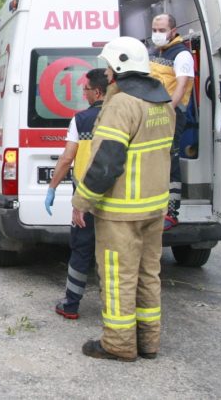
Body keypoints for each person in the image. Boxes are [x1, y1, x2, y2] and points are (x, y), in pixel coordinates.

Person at [71, 36, 175, 362]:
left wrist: (81, 201)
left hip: (122, 211)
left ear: (117, 68)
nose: (106, 72)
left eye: (108, 66)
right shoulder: (163, 102)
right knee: (148, 275)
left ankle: (117, 344)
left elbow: (106, 162)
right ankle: (148, 342)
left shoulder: (121, 104)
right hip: (154, 207)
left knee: (119, 277)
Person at [44, 68, 108, 320]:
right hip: (117, 198)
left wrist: (52, 187)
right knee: (113, 252)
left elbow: (67, 158)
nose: (84, 93)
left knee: (81, 250)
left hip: (86, 198)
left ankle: (71, 304)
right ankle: (113, 306)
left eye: (86, 89)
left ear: (98, 91)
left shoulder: (81, 120)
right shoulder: (125, 115)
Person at [149, 13, 194, 230]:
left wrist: (169, 110)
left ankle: (172, 211)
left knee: (170, 158)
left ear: (173, 31)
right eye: (154, 30)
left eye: (161, 30)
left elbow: (181, 86)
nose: (157, 34)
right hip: (151, 114)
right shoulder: (155, 51)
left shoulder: (182, 54)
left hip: (171, 114)